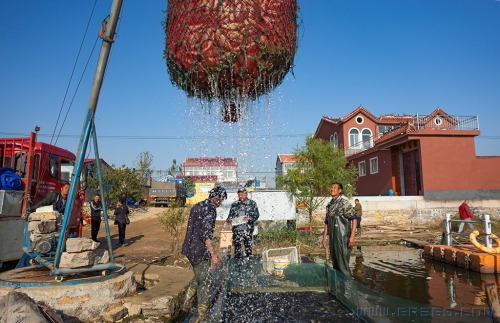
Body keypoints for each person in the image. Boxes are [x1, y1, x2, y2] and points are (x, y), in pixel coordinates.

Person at [181, 186, 227, 322]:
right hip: (199, 251)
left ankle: (186, 304)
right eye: (220, 200)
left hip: (189, 248)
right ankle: (204, 317)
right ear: (216, 198)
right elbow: (206, 235)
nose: (221, 203)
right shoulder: (211, 209)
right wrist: (213, 254)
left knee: (200, 276)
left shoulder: (197, 206)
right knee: (206, 282)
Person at [322, 182, 357, 276]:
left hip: (343, 238)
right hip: (333, 239)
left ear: (339, 190)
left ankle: (348, 286)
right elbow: (327, 222)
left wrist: (352, 236)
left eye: (334, 187)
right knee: (335, 263)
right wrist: (324, 237)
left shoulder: (344, 203)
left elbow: (354, 219)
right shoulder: (329, 205)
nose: (332, 189)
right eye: (331, 187)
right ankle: (338, 288)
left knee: (343, 264)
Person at [226, 187, 260, 258]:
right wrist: (229, 219)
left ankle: (248, 263)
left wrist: (249, 218)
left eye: (242, 195)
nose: (241, 197)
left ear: (246, 195)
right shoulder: (234, 204)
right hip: (237, 230)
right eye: (239, 195)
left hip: (247, 230)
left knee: (248, 249)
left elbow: (256, 215)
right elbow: (230, 216)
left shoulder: (252, 204)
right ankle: (238, 265)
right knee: (237, 250)